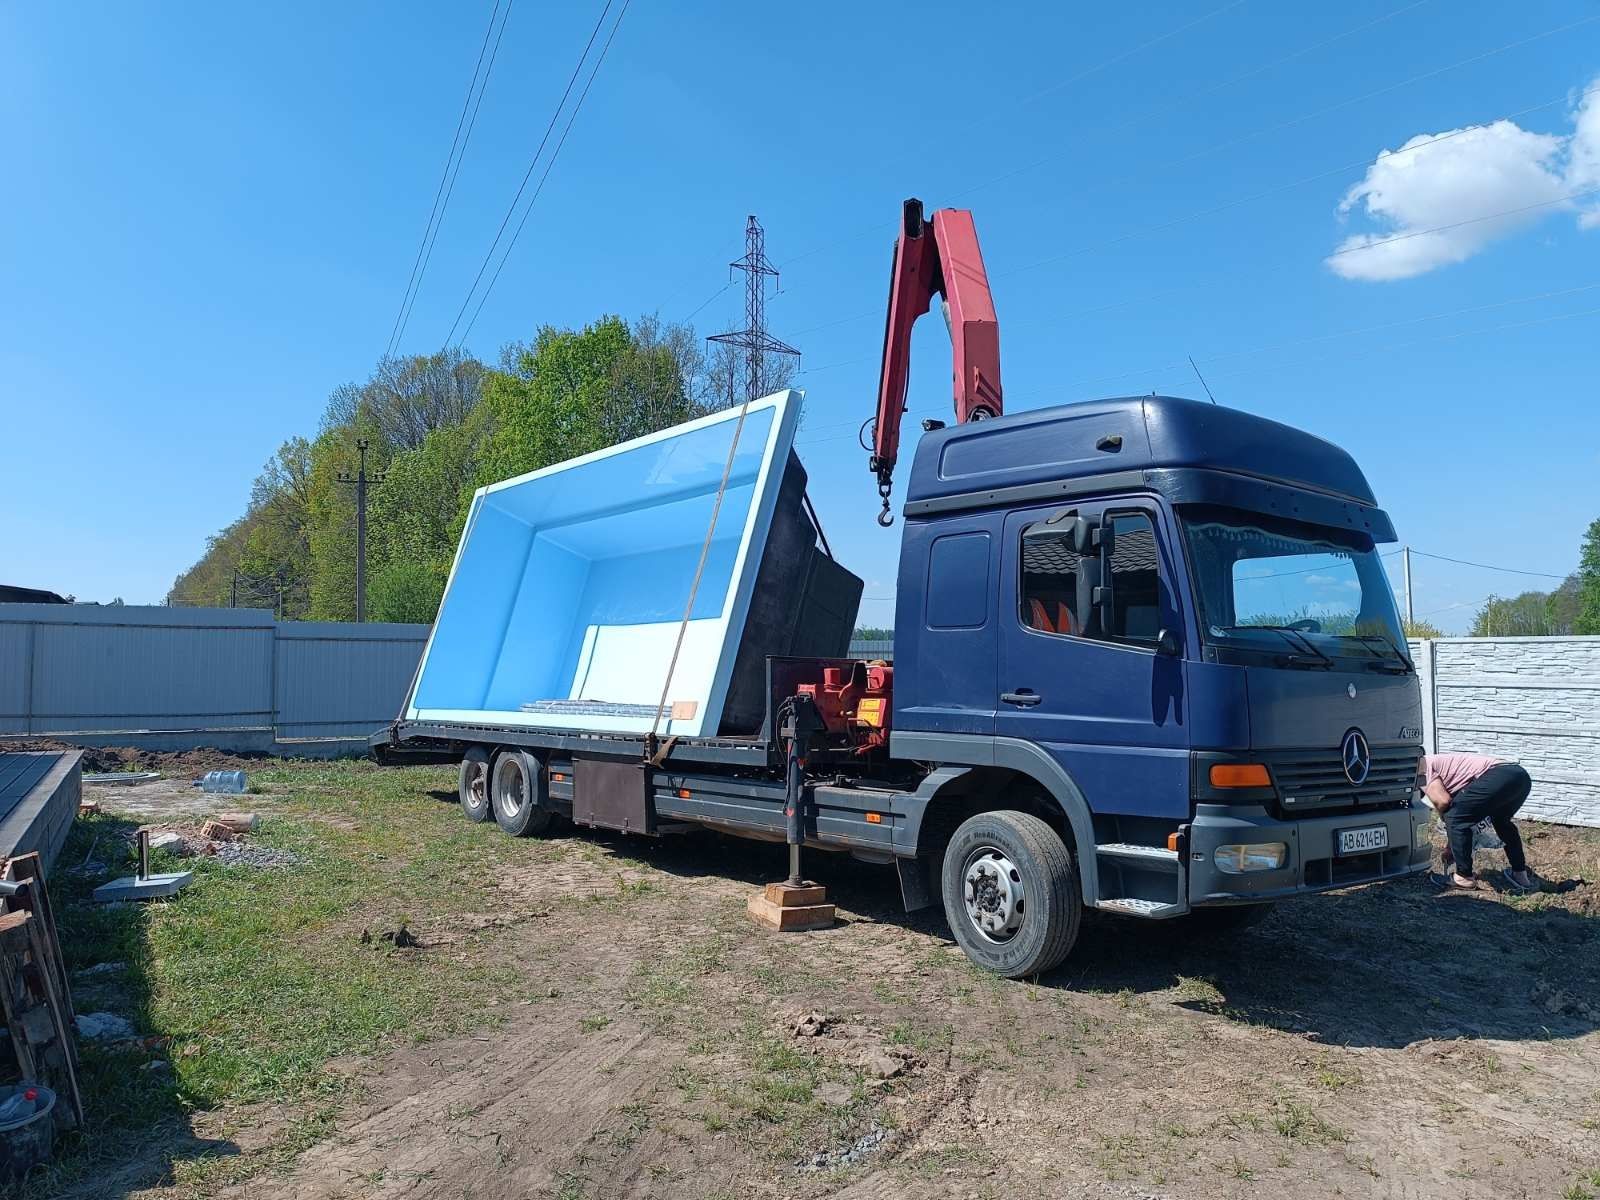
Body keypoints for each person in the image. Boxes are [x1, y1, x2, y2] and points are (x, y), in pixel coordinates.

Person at [1420, 752, 1539, 893]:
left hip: (1500, 774)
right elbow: (1460, 810)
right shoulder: (1433, 764)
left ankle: (1464, 877)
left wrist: (1449, 823)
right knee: (1501, 822)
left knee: (1454, 816)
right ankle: (1520, 876)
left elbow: (1443, 802)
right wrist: (1451, 846)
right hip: (1519, 776)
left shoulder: (1419, 768)